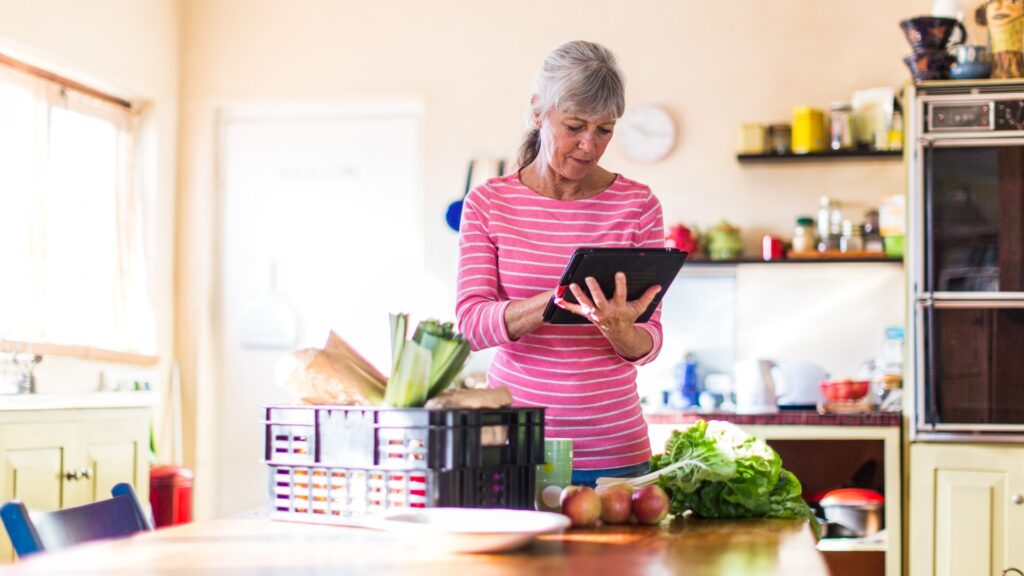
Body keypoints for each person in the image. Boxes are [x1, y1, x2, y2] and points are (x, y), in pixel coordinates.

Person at [455, 40, 666, 487]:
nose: (589, 146)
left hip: (615, 449)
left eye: (605, 130)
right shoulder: (489, 203)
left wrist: (620, 329)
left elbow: (650, 340)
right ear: (537, 111)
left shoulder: (638, 205)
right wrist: (555, 301)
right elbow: (470, 326)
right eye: (574, 126)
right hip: (517, 448)